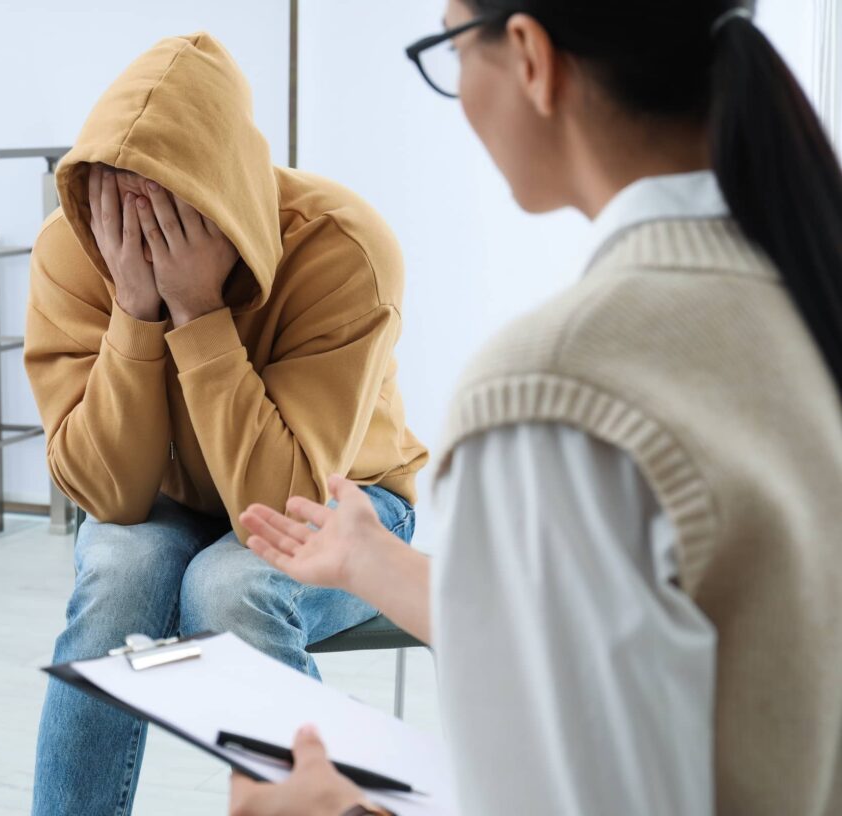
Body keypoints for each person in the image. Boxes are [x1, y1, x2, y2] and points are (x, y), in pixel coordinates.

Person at [233, 2, 842, 815]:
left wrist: (334, 813)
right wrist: (377, 563)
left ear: (529, 55)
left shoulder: (554, 390)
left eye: (449, 44)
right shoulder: (807, 294)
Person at [24, 32, 429, 815]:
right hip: (165, 496)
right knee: (119, 573)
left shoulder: (341, 246)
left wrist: (200, 312)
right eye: (114, 196)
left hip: (348, 502)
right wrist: (137, 311)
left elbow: (287, 506)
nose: (136, 223)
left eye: (171, 202)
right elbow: (108, 495)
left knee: (230, 585)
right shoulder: (74, 251)